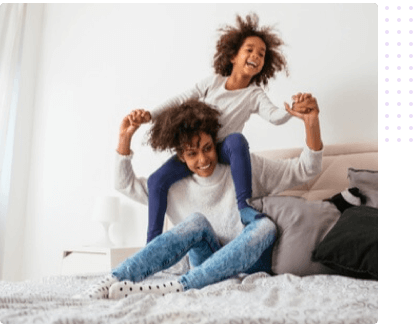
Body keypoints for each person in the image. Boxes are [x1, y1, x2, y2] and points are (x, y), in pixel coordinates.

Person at [75, 94, 322, 300]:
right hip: (204, 262)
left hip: (250, 263)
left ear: (216, 144)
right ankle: (114, 279)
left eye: (207, 149)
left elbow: (305, 170)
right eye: (192, 154)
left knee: (265, 226)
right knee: (195, 221)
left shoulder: (245, 168)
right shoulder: (174, 186)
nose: (203, 160)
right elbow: (124, 184)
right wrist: (124, 138)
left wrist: (311, 123)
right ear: (181, 157)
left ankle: (180, 286)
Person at [135, 13, 310, 244]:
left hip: (223, 150)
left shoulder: (254, 94)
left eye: (261, 54)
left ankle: (244, 206)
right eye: (249, 50)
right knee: (156, 180)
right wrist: (150, 115)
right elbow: (182, 99)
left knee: (237, 140)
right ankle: (152, 242)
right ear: (233, 55)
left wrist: (290, 110)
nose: (256, 56)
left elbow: (274, 116)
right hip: (199, 147)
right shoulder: (213, 82)